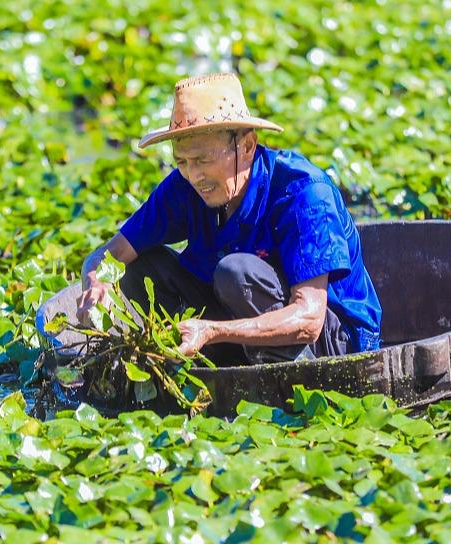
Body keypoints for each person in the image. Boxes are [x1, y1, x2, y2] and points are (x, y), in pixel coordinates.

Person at [78, 72, 381, 365]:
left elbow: (310, 319)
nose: (194, 175)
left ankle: (279, 376)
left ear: (247, 146)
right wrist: (95, 281)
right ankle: (215, 360)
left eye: (203, 160)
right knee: (136, 267)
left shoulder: (304, 192)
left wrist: (213, 331)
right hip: (236, 327)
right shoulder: (183, 187)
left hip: (335, 344)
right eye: (182, 162)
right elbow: (107, 255)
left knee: (236, 273)